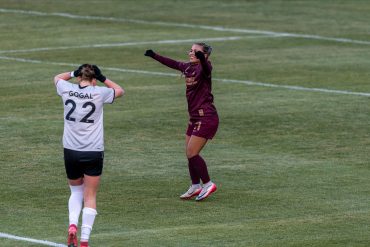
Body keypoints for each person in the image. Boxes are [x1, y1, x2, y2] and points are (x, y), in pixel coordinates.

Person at [54, 64, 124, 247]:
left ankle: (72, 226)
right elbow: (119, 90)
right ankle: (84, 241)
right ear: (94, 80)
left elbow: (56, 78)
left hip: (70, 150)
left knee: (76, 191)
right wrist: (103, 78)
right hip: (92, 150)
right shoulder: (99, 92)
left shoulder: (66, 88)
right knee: (90, 195)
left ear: (79, 78)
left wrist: (72, 73)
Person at [144, 43, 219, 201]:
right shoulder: (188, 67)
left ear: (204, 55)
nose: (191, 53)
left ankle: (208, 184)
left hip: (206, 117)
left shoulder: (205, 68)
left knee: (193, 153)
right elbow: (172, 63)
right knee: (189, 154)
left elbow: (206, 68)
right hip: (194, 117)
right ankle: (195, 186)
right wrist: (154, 55)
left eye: (195, 52)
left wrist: (202, 60)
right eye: (191, 51)